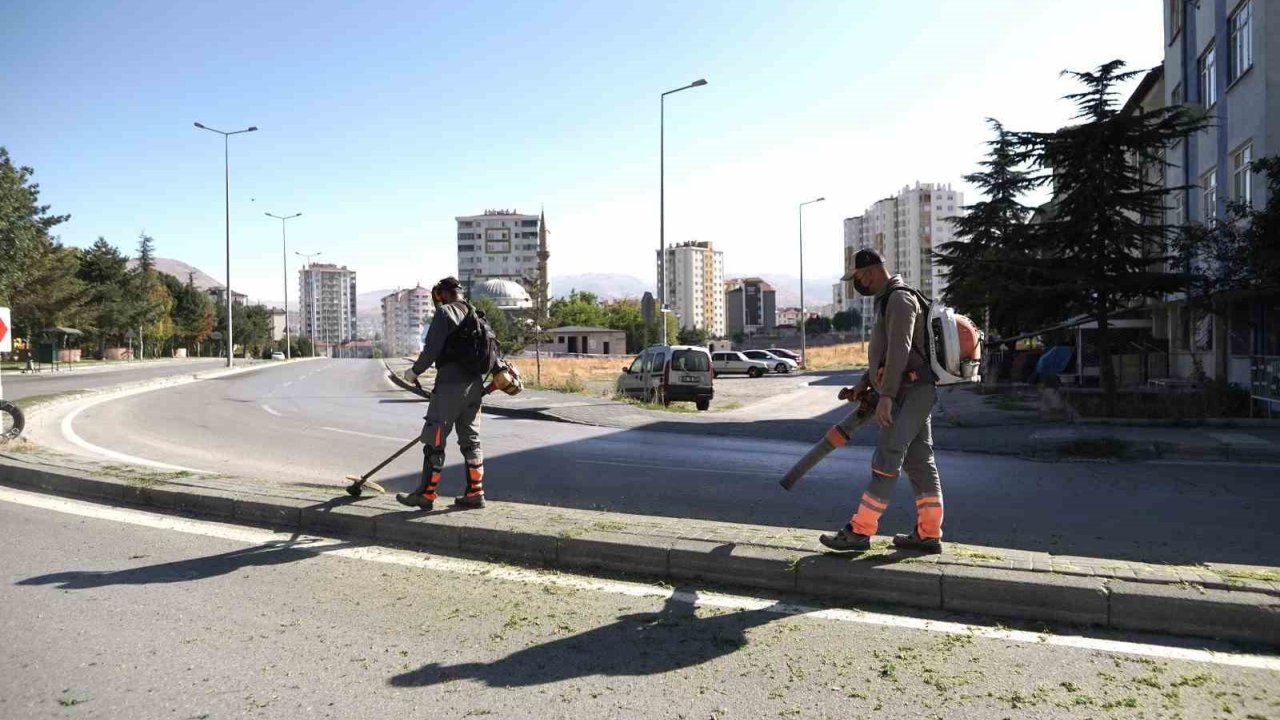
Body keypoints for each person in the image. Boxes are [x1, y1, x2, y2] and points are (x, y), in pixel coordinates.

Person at [820, 249, 944, 554]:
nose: (858, 283)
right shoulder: (889, 299)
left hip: (907, 392)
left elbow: (900, 351)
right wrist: (863, 384)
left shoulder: (899, 299)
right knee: (919, 462)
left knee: (887, 459)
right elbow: (885, 355)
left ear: (871, 272)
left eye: (859, 277)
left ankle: (859, 531)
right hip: (912, 391)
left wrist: (886, 396)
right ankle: (928, 534)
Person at [396, 277, 493, 511]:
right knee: (471, 440)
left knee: (435, 438)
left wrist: (413, 372)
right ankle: (475, 492)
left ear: (443, 294)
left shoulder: (445, 313)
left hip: (450, 385)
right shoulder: (476, 315)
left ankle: (426, 494)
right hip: (475, 386)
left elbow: (431, 350)